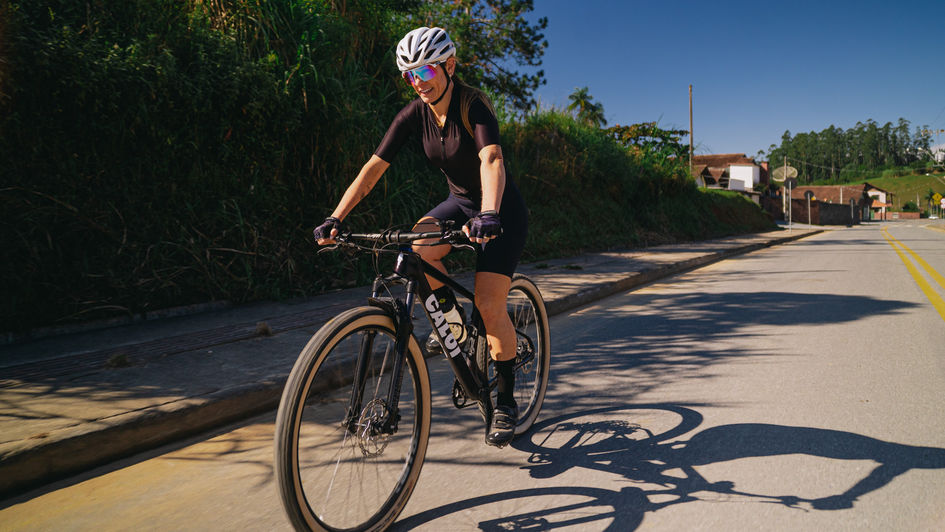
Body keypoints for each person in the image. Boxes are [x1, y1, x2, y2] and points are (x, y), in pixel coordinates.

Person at [312, 26, 528, 447]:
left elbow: (491, 158)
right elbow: (373, 169)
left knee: (488, 304)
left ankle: (504, 401)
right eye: (410, 74)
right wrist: (336, 217)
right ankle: (454, 326)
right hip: (459, 204)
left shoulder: (472, 104)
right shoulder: (414, 114)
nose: (419, 81)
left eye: (426, 70)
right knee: (417, 246)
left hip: (499, 209)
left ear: (450, 65)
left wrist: (489, 213)